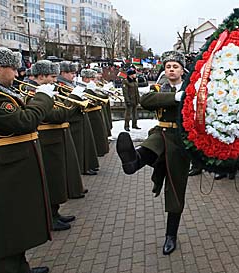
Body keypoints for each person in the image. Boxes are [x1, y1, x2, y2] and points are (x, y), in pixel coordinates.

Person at [0, 47, 54, 273]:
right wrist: (43, 97)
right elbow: (25, 121)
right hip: (4, 171)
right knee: (5, 235)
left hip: (11, 167)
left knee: (15, 228)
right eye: (13, 69)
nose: (17, 74)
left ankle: (21, 268)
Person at [116, 51, 190, 255]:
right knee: (152, 144)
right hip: (163, 131)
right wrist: (175, 97)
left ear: (182, 69)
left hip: (182, 140)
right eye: (168, 67)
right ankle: (133, 161)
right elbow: (147, 100)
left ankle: (171, 235)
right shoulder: (160, 87)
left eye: (175, 66)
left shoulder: (191, 88)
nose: (171, 70)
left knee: (175, 189)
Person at [29, 60, 81, 231]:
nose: (54, 80)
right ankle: (49, 217)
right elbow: (56, 115)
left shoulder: (46, 90)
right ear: (42, 76)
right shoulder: (34, 93)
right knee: (50, 180)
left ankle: (55, 213)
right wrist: (74, 100)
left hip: (54, 139)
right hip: (45, 141)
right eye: (51, 77)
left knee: (57, 179)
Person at [56, 61, 87, 198]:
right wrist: (75, 99)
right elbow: (63, 108)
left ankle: (76, 185)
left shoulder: (68, 85)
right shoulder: (60, 86)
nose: (74, 76)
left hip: (72, 122)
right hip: (67, 123)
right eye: (71, 73)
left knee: (75, 156)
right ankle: (73, 188)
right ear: (63, 73)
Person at [80, 69, 109, 157]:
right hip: (89, 115)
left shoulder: (91, 86)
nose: (95, 80)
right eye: (92, 78)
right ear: (85, 78)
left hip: (95, 113)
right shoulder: (81, 87)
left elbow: (100, 98)